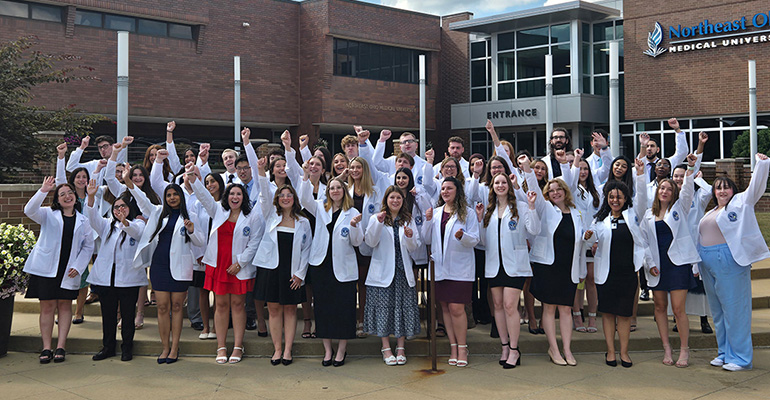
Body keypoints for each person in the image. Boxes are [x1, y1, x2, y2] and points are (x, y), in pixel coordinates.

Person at [698, 153, 770, 371]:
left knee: (735, 310)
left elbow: (755, 188)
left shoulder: (741, 203)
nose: (722, 191)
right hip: (707, 262)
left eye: (726, 187)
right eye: (718, 188)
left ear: (733, 191)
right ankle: (724, 352)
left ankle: (740, 358)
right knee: (718, 311)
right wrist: (698, 178)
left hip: (729, 260)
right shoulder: (712, 210)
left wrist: (762, 165)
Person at [127, 168, 204, 364]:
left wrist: (192, 231)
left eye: (175, 194)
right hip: (160, 265)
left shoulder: (190, 214)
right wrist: (128, 181)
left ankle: (175, 348)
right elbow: (141, 197)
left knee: (177, 307)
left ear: (181, 197)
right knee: (162, 307)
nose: (171, 198)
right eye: (168, 195)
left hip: (180, 266)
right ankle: (164, 347)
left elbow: (200, 242)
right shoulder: (157, 212)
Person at [189, 163, 263, 364]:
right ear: (226, 196)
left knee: (238, 305)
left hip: (238, 266)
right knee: (220, 305)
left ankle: (238, 346)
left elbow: (255, 242)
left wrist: (241, 262)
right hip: (219, 265)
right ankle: (221, 346)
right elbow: (203, 196)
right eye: (232, 194)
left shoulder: (252, 216)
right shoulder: (218, 211)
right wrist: (192, 176)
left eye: (239, 194)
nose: (235, 197)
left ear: (243, 197)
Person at [582, 157, 647, 368]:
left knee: (625, 315)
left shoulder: (633, 215)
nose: (615, 200)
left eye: (619, 196)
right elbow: (590, 241)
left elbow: (643, 198)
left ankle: (625, 352)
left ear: (625, 198)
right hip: (606, 274)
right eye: (611, 197)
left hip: (627, 273)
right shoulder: (600, 219)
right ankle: (610, 351)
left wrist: (639, 173)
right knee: (608, 314)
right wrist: (588, 236)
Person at [23, 177, 94, 363]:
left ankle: (61, 346)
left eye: (70, 193)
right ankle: (46, 347)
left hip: (69, 270)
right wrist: (43, 190)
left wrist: (78, 266)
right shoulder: (47, 214)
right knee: (47, 307)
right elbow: (28, 210)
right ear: (57, 199)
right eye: (62, 194)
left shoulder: (83, 220)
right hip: (47, 269)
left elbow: (88, 246)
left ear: (75, 198)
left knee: (64, 306)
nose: (67, 196)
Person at [525, 152, 586, 367]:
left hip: (569, 267)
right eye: (551, 191)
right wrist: (526, 167)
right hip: (549, 267)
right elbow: (532, 181)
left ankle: (567, 349)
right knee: (549, 308)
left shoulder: (576, 212)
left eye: (558, 189)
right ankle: (553, 348)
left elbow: (582, 239)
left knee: (566, 309)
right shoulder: (546, 209)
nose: (555, 193)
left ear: (565, 191)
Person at [640, 153, 700, 368]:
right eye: (661, 188)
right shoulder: (648, 214)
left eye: (669, 189)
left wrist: (691, 168)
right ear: (657, 192)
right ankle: (666, 347)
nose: (664, 191)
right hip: (657, 266)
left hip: (677, 264)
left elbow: (687, 190)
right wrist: (650, 264)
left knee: (678, 309)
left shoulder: (680, 209)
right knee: (659, 306)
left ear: (673, 193)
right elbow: (643, 242)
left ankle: (684, 349)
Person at [476, 173, 539, 369]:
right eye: (497, 183)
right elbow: (483, 241)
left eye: (504, 182)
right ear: (492, 187)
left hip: (515, 265)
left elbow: (534, 230)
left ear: (509, 186)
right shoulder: (489, 210)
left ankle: (514, 349)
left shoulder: (520, 207)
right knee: (498, 305)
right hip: (495, 265)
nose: (500, 186)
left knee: (510, 305)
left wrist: (531, 207)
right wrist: (479, 220)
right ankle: (504, 346)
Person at [299, 175, 363, 366]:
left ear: (344, 191)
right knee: (323, 308)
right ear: (327, 192)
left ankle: (341, 349)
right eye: (332, 188)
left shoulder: (352, 212)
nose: (335, 191)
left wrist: (354, 227)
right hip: (321, 265)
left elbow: (357, 241)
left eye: (338, 188)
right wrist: (306, 177)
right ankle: (327, 350)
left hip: (343, 267)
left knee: (344, 308)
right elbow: (303, 199)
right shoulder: (320, 207)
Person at [84, 180, 146, 362]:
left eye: (123, 206)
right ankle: (108, 347)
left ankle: (127, 348)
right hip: (106, 280)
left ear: (130, 208)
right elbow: (92, 217)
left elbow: (135, 232)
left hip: (129, 280)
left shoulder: (138, 224)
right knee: (108, 316)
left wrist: (125, 221)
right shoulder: (106, 225)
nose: (119, 209)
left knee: (127, 316)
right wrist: (90, 196)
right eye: (116, 206)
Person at [253, 176, 312, 366]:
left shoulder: (303, 222)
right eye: (282, 196)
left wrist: (300, 274)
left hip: (292, 271)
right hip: (271, 269)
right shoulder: (270, 214)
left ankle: (288, 350)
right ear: (277, 199)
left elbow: (307, 249)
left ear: (295, 199)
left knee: (291, 309)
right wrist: (261, 171)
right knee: (274, 309)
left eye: (289, 195)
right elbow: (263, 192)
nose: (285, 198)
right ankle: (277, 348)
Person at [422, 177, 479, 367]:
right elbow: (426, 238)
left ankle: (463, 347)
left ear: (458, 191)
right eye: (443, 188)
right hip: (439, 267)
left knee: (457, 308)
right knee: (445, 307)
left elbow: (475, 239)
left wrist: (464, 236)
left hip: (460, 268)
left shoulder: (468, 213)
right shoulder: (436, 213)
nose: (445, 191)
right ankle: (453, 347)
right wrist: (428, 221)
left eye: (450, 188)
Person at [365, 186, 421, 366]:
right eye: (392, 198)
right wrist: (378, 223)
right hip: (382, 272)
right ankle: (386, 347)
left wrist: (411, 236)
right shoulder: (377, 218)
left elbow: (414, 247)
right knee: (384, 309)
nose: (395, 201)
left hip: (402, 271)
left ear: (403, 201)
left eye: (398, 198)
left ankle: (401, 347)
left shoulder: (408, 219)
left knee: (402, 307)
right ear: (386, 200)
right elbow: (370, 242)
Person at [565, 149, 602, 334]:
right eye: (579, 168)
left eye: (585, 168)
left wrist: (595, 239)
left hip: (593, 240)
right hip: (577, 241)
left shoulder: (597, 192)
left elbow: (600, 217)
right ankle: (577, 314)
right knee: (578, 279)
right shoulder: (571, 190)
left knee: (591, 279)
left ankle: (592, 316)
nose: (583, 172)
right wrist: (576, 159)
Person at [638, 118, 689, 184]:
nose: (649, 149)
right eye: (647, 146)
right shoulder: (639, 167)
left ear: (658, 149)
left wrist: (677, 129)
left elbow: (682, 153)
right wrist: (643, 145)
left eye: (652, 146)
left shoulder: (667, 164)